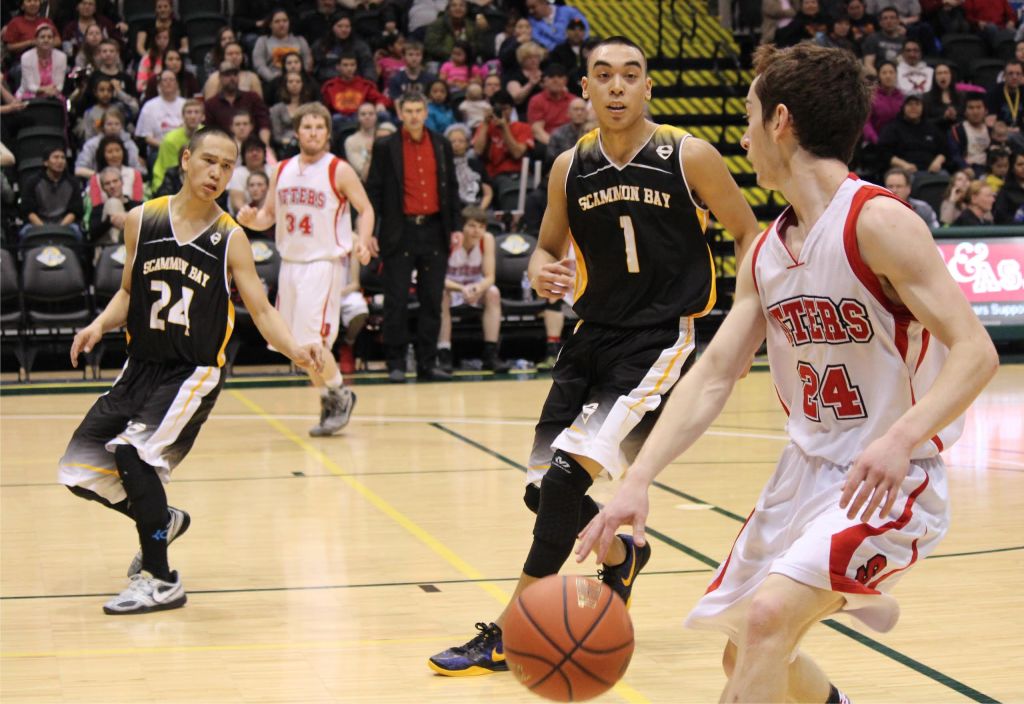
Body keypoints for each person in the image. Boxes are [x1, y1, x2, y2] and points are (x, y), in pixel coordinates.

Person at [575, 43, 998, 704]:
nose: (741, 138)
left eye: (748, 119)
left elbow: (976, 351)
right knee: (742, 652)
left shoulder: (878, 222)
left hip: (889, 477)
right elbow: (715, 374)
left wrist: (899, 437)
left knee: (769, 622)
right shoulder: (767, 253)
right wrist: (637, 479)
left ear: (779, 121)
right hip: (803, 475)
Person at [428, 35, 760, 676]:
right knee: (539, 489)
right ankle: (620, 558)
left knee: (561, 481)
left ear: (647, 87)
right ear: (583, 89)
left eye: (629, 75)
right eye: (602, 76)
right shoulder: (567, 167)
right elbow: (546, 251)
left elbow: (749, 232)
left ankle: (507, 630)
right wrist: (545, 274)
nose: (616, 87)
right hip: (588, 341)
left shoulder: (688, 156)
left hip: (660, 339)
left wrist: (748, 328)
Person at [58, 126, 323, 615]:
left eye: (227, 166)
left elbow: (262, 311)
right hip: (140, 366)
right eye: (209, 161)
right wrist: (97, 326)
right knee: (78, 469)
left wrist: (297, 350)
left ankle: (160, 578)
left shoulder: (231, 238)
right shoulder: (142, 219)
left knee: (134, 454)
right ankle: (163, 517)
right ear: (186, 159)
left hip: (192, 371)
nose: (217, 173)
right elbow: (126, 294)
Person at [237, 103, 375, 436]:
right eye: (307, 127)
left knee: (315, 343)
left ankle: (339, 394)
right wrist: (252, 220)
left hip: (322, 264)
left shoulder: (337, 169)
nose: (312, 133)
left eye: (319, 127)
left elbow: (365, 208)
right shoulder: (281, 169)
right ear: (297, 132)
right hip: (290, 265)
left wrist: (364, 240)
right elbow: (269, 215)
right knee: (298, 348)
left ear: (327, 133)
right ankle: (331, 397)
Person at [365, 92, 463, 384]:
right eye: (408, 111)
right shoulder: (385, 146)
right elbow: (374, 191)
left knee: (432, 300)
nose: (414, 116)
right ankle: (395, 362)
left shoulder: (442, 144)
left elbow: (452, 188)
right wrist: (370, 231)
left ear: (426, 111)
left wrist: (455, 226)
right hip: (400, 230)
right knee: (395, 300)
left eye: (419, 110)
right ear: (400, 113)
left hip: (435, 229)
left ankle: (426, 363)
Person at [438, 205, 508, 372]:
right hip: (452, 287)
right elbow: (437, 278)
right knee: (441, 295)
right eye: (472, 226)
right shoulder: (452, 239)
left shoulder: (487, 239)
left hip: (474, 288)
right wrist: (462, 289)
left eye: (481, 226)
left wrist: (478, 288)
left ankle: (490, 354)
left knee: (493, 293)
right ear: (461, 227)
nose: (477, 231)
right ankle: (444, 353)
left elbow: (490, 277)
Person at [20, 147, 85, 240]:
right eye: (56, 157)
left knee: (77, 232)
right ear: (46, 162)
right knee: (24, 233)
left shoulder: (73, 182)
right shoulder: (33, 182)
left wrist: (60, 228)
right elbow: (29, 211)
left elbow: (75, 211)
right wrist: (44, 229)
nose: (60, 161)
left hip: (65, 223)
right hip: (38, 223)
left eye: (63, 158)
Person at [152, 100, 204, 193]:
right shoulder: (170, 139)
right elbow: (172, 170)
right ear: (183, 116)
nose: (193, 116)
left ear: (203, 116)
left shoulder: (208, 136)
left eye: (196, 112)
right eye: (189, 112)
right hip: (169, 181)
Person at [252, 9, 313, 84]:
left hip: (298, 81)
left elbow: (307, 62)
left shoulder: (300, 40)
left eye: (285, 21)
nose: (281, 24)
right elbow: (259, 65)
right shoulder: (262, 41)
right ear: (270, 25)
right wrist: (274, 79)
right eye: (277, 21)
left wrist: (298, 78)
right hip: (273, 82)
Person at [88, 166, 141, 247]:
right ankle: (118, 246)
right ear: (103, 188)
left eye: (115, 181)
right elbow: (92, 235)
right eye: (107, 183)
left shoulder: (137, 205)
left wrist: (127, 217)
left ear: (122, 182)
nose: (112, 186)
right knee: (113, 203)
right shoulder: (98, 209)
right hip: (107, 250)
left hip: (135, 247)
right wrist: (110, 220)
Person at [524, 0, 589, 51]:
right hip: (557, 56)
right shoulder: (532, 23)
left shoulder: (568, 11)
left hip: (581, 48)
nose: (530, 11)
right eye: (528, 8)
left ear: (543, 2)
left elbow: (584, 27)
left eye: (533, 7)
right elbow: (540, 40)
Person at [993, 150, 1024, 222]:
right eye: (1020, 164)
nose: (1023, 167)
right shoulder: (1005, 191)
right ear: (1012, 168)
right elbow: (1000, 217)